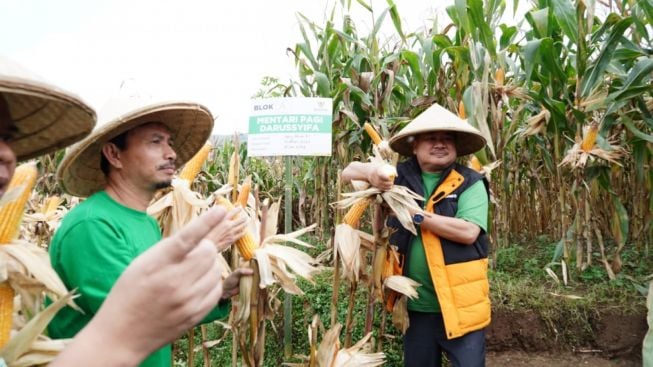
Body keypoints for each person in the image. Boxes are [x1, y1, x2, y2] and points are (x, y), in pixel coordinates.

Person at [48, 94, 250, 367]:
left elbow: (164, 297)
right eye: (156, 142)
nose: (172, 154)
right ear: (114, 154)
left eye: (169, 143)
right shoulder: (92, 225)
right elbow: (139, 316)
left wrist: (220, 291)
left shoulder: (145, 223)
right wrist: (207, 247)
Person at [342, 103, 490, 367]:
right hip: (414, 308)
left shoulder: (470, 182)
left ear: (456, 147)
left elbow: (468, 232)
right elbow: (348, 172)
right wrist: (372, 173)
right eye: (431, 139)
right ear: (414, 147)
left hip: (461, 307)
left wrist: (415, 215)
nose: (440, 144)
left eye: (447, 139)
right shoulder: (400, 177)